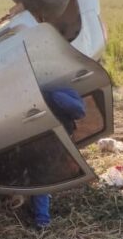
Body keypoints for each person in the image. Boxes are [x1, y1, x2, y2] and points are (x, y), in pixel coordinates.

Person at [30, 87, 87, 230]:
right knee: (45, 173)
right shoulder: (63, 93)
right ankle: (42, 204)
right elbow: (80, 112)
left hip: (50, 139)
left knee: (41, 175)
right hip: (55, 138)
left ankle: (42, 219)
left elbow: (79, 111)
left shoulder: (54, 94)